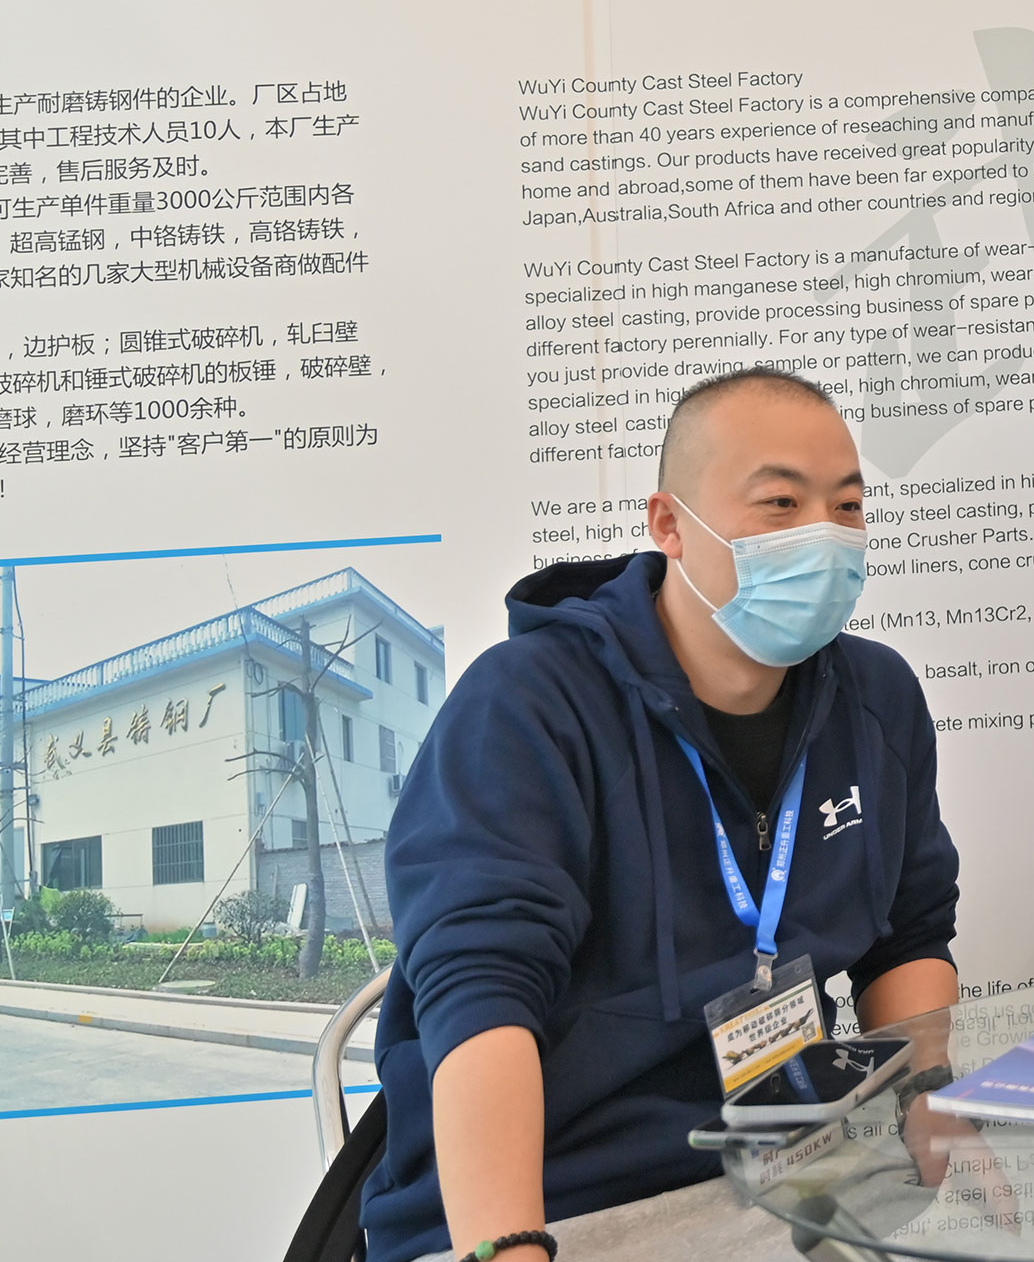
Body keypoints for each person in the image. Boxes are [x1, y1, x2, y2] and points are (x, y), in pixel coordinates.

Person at [363, 369, 962, 1262]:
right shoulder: (527, 706)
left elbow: (908, 936)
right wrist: (509, 1245)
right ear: (670, 524)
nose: (825, 535)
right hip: (562, 1196)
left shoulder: (876, 698)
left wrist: (931, 1108)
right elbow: (480, 992)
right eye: (781, 503)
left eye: (846, 507)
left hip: (800, 1167)